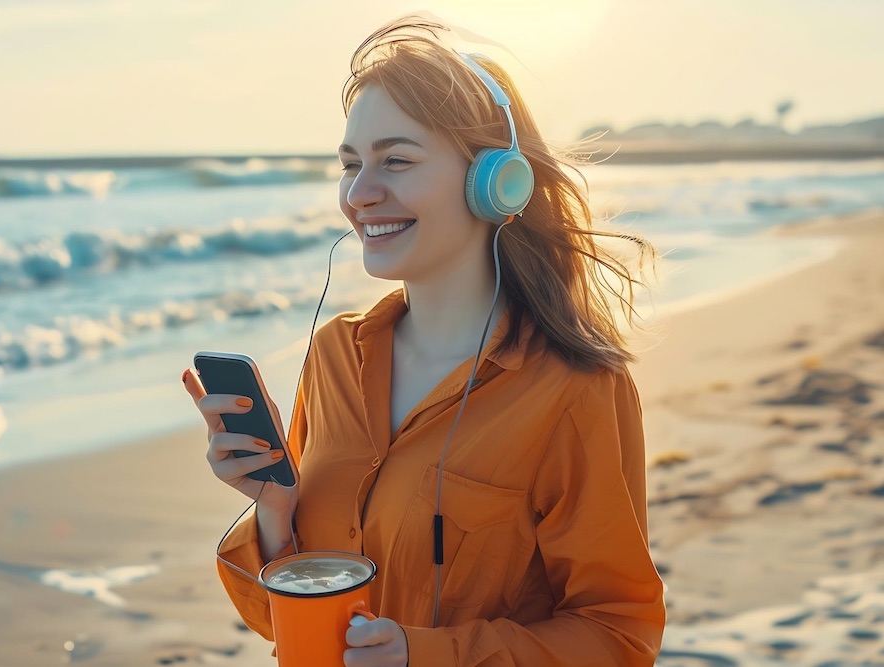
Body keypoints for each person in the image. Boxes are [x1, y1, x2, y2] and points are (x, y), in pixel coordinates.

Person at [183, 15, 665, 667]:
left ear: (495, 182)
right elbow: (283, 621)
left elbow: (618, 635)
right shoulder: (335, 355)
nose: (360, 194)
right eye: (351, 164)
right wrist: (275, 510)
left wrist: (423, 654)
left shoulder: (575, 390)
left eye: (396, 160)